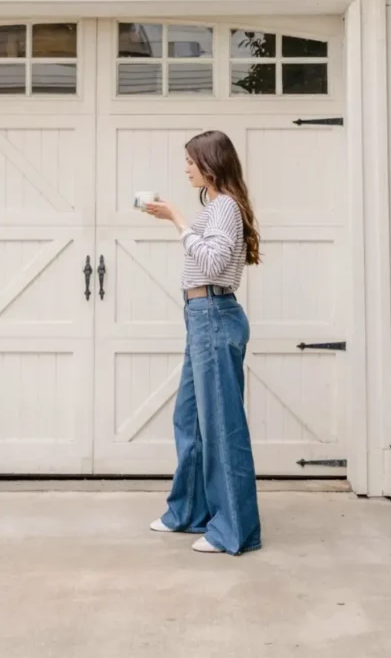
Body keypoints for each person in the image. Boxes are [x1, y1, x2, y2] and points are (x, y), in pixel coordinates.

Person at [144, 129, 262, 556]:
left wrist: (176, 220)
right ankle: (189, 512)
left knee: (220, 426)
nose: (187, 168)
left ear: (212, 163)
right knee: (190, 419)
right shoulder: (217, 207)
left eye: (192, 161)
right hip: (201, 317)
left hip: (214, 314)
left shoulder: (225, 206)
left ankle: (233, 530)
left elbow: (211, 263)